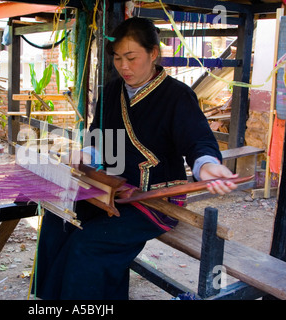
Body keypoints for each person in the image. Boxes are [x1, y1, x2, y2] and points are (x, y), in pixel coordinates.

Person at [32, 17, 238, 300]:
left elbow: (199, 140)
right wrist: (84, 154)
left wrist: (207, 165)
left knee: (89, 244)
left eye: (131, 57)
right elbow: (98, 139)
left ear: (153, 53)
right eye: (117, 58)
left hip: (155, 200)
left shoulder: (177, 96)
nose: (123, 66)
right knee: (60, 220)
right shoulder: (111, 92)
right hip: (112, 189)